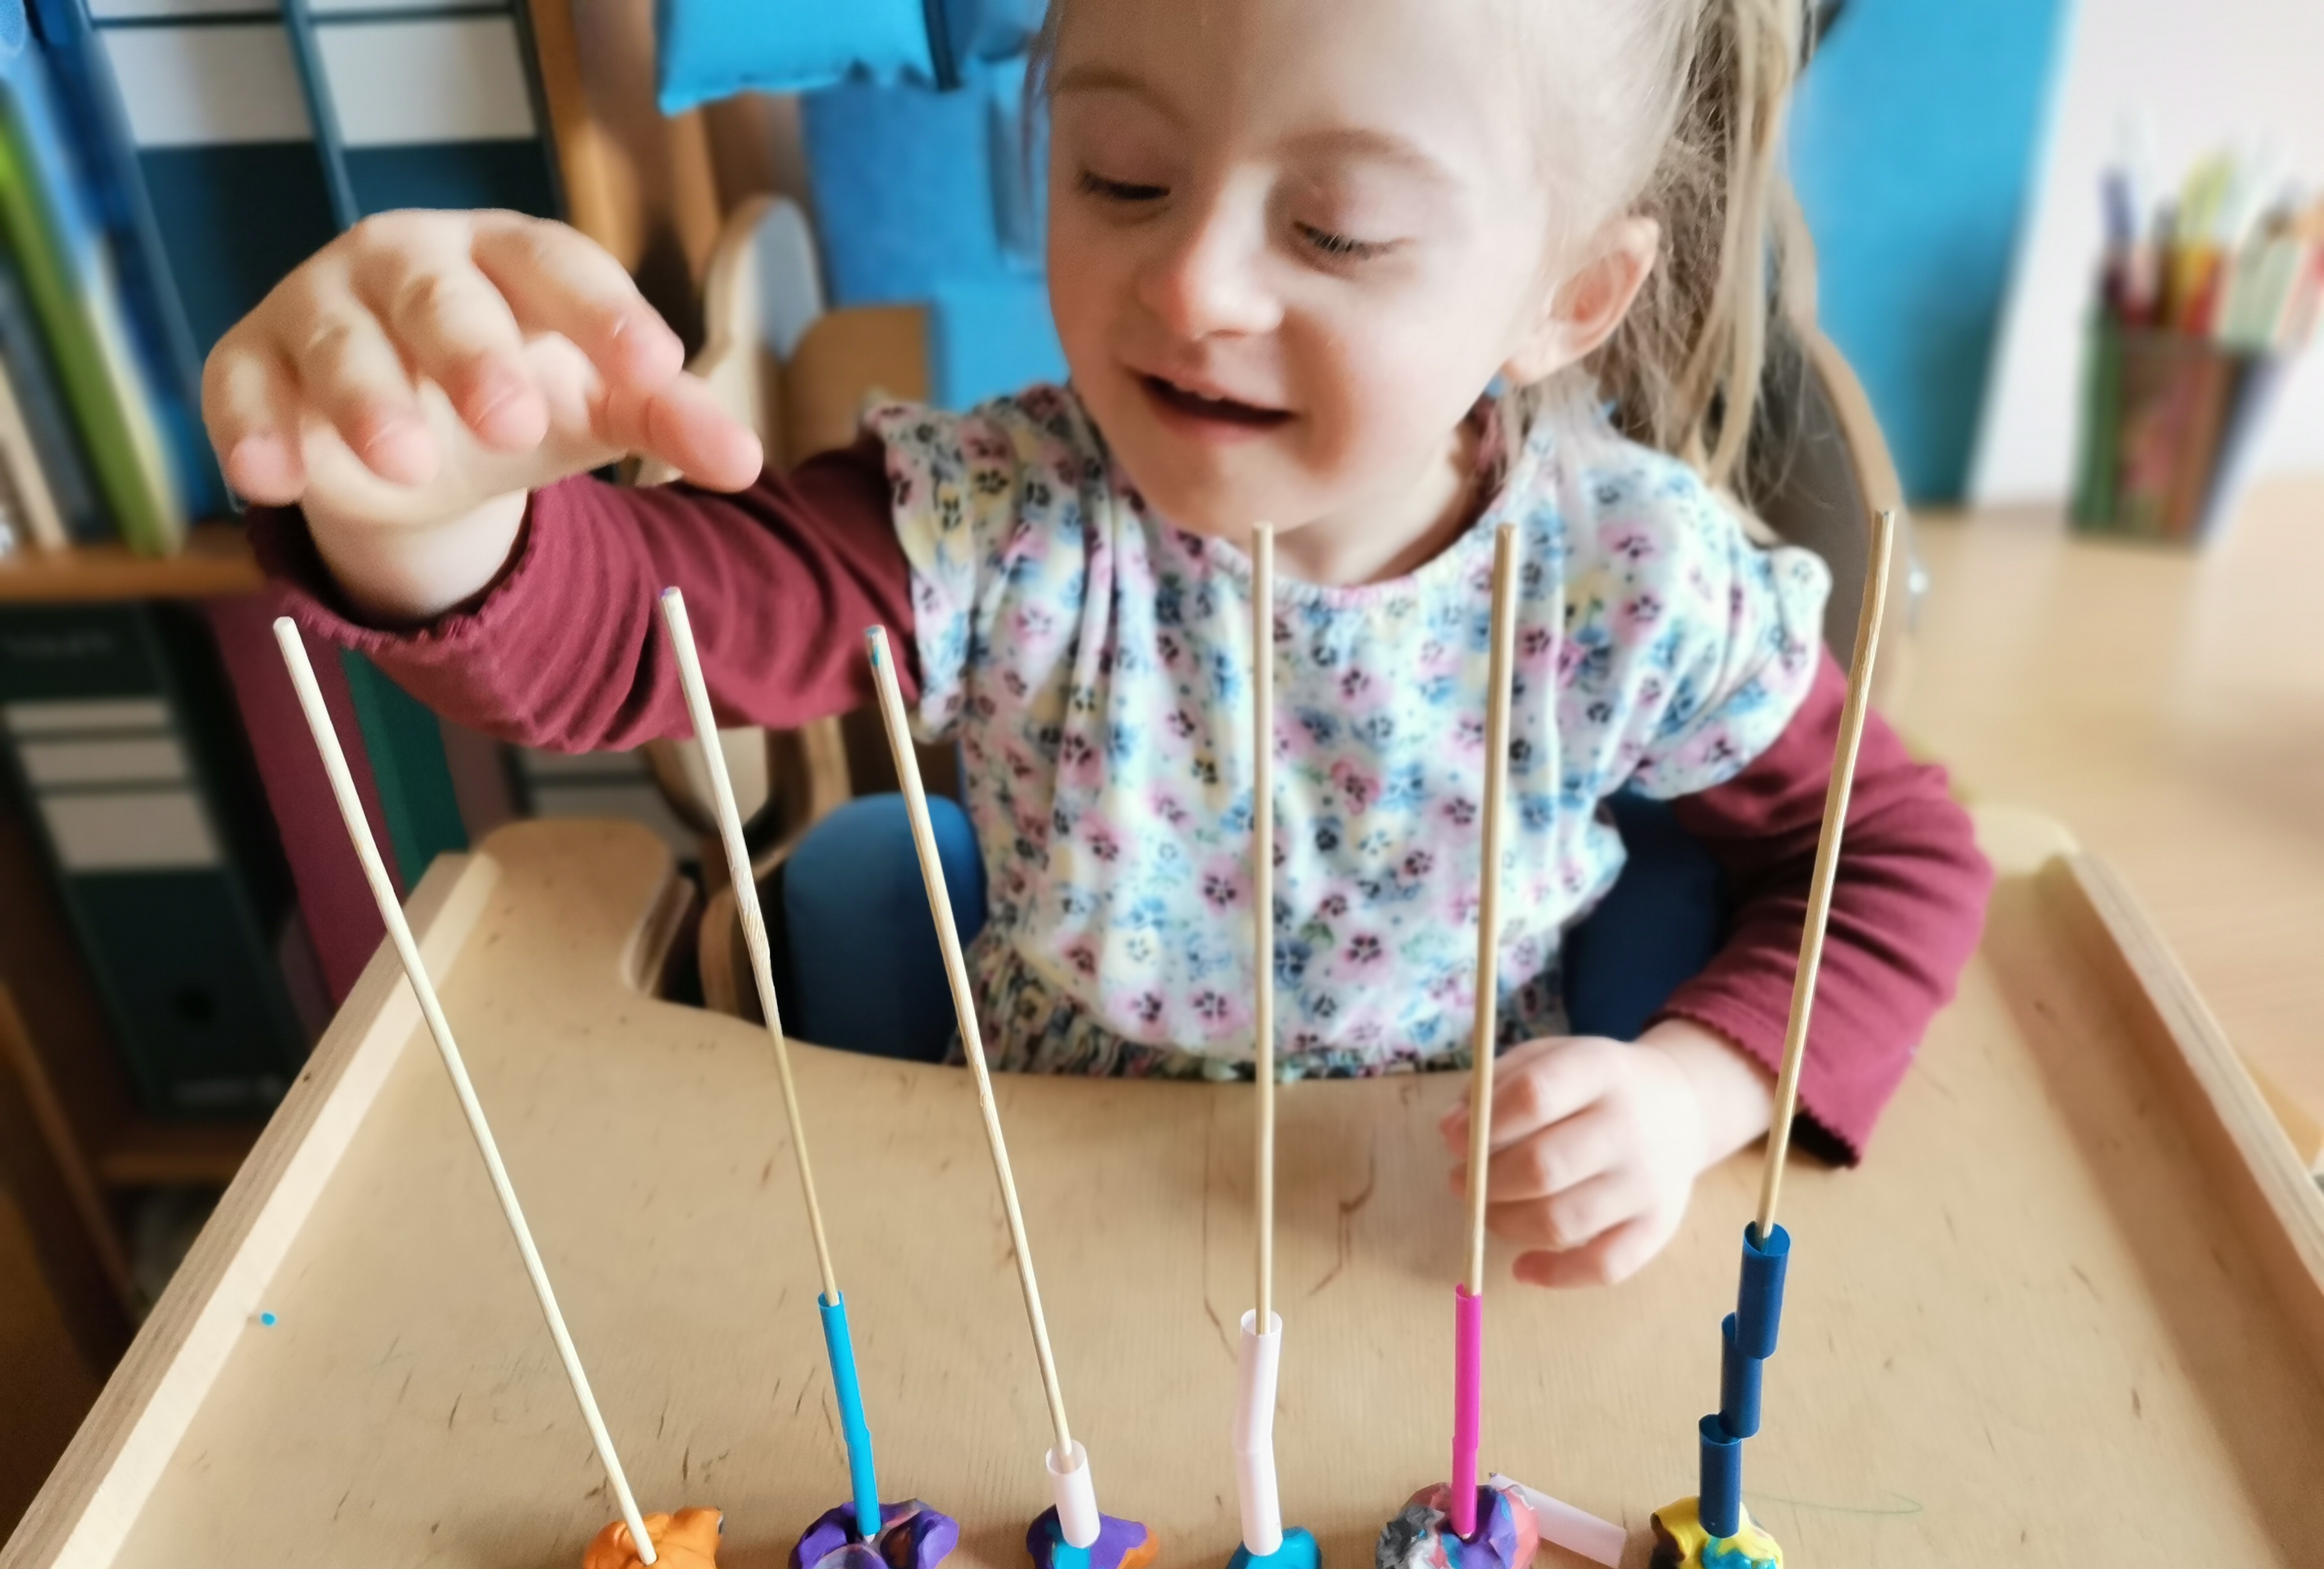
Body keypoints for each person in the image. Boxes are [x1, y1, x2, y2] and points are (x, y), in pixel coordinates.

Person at [206, 0, 1989, 1287]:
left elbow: (1895, 857)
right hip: (1033, 1267)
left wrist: (1688, 1098)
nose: (1195, 283)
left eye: (1338, 229)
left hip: (1425, 1269)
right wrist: (420, 505)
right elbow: (631, 632)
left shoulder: (1632, 588)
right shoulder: (1006, 522)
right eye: (1123, 178)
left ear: (1567, 297)